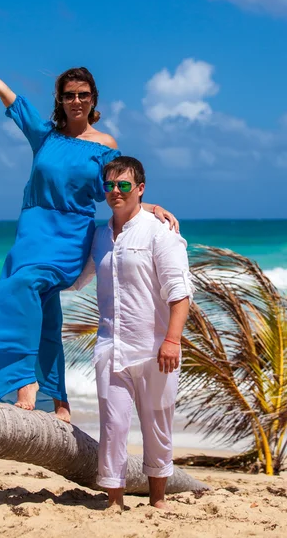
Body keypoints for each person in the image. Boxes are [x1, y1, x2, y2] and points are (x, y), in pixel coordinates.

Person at [0, 54, 179, 423]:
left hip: (68, 237)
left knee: (24, 287)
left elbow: (115, 187)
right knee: (44, 314)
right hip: (31, 234)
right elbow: (7, 94)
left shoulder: (105, 145)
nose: (76, 101)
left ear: (94, 100)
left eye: (84, 95)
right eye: (69, 95)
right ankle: (59, 402)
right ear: (59, 99)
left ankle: (25, 381)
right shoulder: (44, 135)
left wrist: (148, 204)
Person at [72, 156, 193, 508]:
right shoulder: (98, 236)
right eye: (109, 185)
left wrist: (172, 341)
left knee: (157, 427)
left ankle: (158, 501)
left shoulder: (160, 232)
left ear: (140, 188)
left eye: (123, 185)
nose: (115, 191)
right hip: (111, 346)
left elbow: (180, 293)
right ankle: (114, 501)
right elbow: (79, 278)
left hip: (156, 349)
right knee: (113, 426)